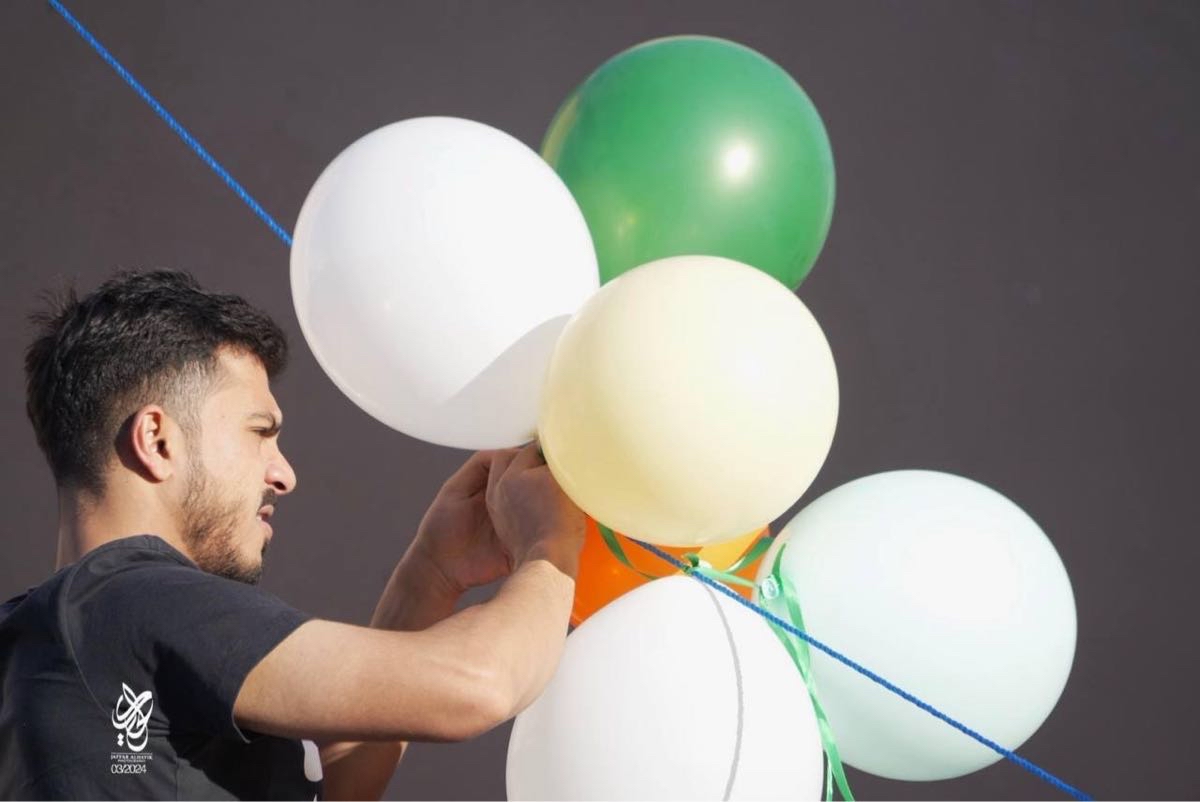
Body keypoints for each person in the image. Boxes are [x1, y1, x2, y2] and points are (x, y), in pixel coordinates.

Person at [0, 269, 586, 800]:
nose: (284, 474)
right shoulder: (138, 598)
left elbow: (333, 786)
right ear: (158, 440)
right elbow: (476, 686)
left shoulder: (45, 641)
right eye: (260, 432)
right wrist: (549, 545)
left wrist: (432, 573)